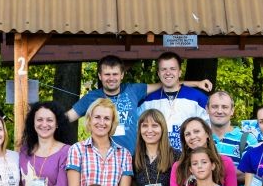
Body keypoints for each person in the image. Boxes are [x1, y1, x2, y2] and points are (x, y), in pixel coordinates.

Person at [68, 55, 210, 154]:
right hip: (103, 155)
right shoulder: (91, 97)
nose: (111, 78)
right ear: (100, 76)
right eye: (107, 74)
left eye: (115, 74)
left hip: (133, 157)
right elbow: (67, 117)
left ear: (122, 75)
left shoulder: (133, 90)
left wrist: (195, 83)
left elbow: (166, 83)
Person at [18, 102, 70, 186]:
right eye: (40, 119)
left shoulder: (66, 152)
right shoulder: (24, 151)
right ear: (33, 123)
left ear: (57, 123)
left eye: (49, 120)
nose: (44, 124)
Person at [139, 51, 210, 151]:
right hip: (159, 160)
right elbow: (138, 128)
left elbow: (210, 128)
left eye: (173, 69)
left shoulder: (197, 98)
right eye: (164, 69)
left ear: (180, 72)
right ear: (158, 73)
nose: (168, 73)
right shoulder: (148, 101)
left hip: (190, 159)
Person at [167, 116, 238, 186]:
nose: (192, 136)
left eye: (196, 131)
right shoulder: (178, 166)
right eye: (187, 134)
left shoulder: (225, 162)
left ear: (207, 134)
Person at [132, 109, 174, 186]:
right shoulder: (134, 159)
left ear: (162, 128)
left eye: (154, 125)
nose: (149, 130)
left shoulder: (175, 156)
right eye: (145, 126)